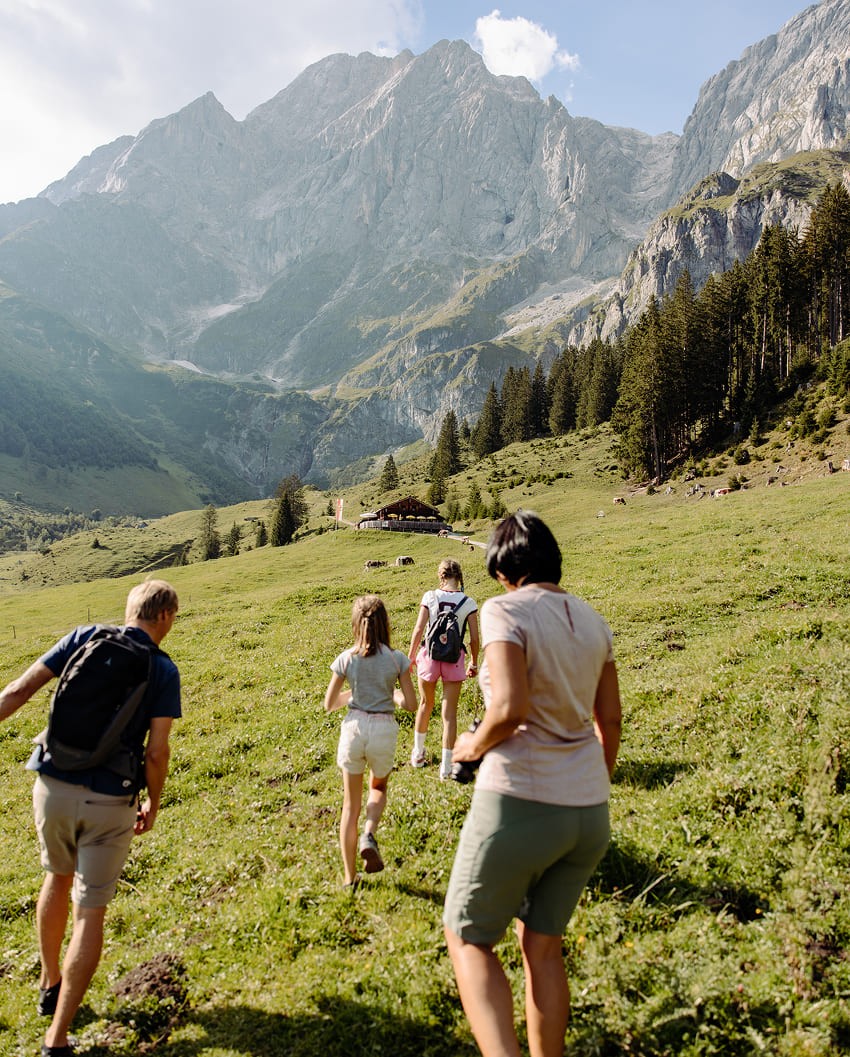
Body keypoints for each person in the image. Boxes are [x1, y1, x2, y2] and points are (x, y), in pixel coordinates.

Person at [443, 512, 621, 1057]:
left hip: (520, 796)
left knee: (468, 938)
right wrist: (593, 783)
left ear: (506, 569)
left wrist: (468, 749)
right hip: (588, 810)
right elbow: (610, 721)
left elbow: (509, 708)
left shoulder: (503, 611)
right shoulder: (594, 622)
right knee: (542, 946)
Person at [0, 579, 181, 1057]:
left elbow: (18, 691)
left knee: (55, 879)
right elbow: (157, 752)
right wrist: (153, 804)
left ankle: (48, 981)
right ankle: (56, 1039)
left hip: (52, 785)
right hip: (109, 801)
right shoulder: (162, 669)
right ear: (164, 617)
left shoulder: (83, 637)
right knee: (90, 912)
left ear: (129, 610)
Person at [324, 594, 416, 887]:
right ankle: (369, 832)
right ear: (385, 624)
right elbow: (412, 704)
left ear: (355, 625)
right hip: (383, 730)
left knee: (349, 807)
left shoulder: (346, 659)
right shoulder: (396, 659)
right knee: (378, 788)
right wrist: (392, 695)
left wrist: (354, 694)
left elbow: (329, 703)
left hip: (354, 729)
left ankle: (351, 877)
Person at [407, 559, 480, 779]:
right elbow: (475, 638)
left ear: (441, 576)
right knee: (449, 714)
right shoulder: (468, 602)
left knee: (425, 704)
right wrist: (474, 662)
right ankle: (446, 768)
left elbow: (419, 628)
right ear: (459, 577)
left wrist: (411, 657)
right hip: (454, 659)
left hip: (429, 656)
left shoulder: (430, 597)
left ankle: (418, 754)